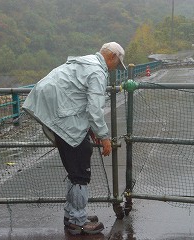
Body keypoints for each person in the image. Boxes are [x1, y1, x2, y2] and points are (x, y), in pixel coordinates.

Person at [23, 42, 126, 235]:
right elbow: (95, 109)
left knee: (74, 169)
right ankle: (78, 221)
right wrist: (104, 137)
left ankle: (72, 215)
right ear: (111, 57)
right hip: (64, 119)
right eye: (116, 64)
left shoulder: (85, 62)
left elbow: (77, 97)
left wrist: (92, 130)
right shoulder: (97, 72)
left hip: (56, 113)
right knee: (80, 172)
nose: (115, 69)